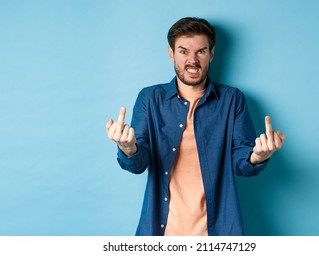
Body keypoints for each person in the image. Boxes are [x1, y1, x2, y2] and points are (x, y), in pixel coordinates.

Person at [106, 17, 286, 236]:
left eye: (200, 51)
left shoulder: (232, 100)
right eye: (183, 51)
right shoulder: (150, 99)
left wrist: (258, 156)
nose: (192, 60)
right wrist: (128, 148)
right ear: (171, 53)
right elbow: (138, 164)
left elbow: (242, 163)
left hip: (218, 232)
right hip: (161, 232)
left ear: (211, 54)